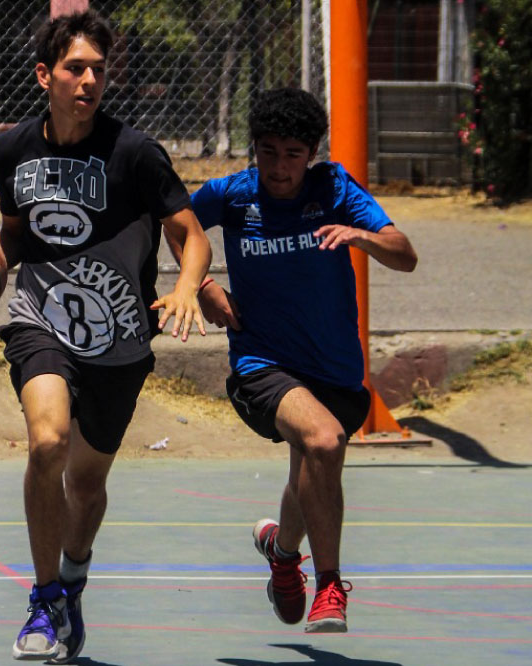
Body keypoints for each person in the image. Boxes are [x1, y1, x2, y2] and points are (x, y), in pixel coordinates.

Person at [0, 9, 211, 662]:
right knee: (47, 442)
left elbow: (189, 236)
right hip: (41, 320)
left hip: (119, 339)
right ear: (44, 76)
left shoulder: (135, 153)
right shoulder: (10, 150)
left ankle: (74, 575)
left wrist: (189, 285)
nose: (88, 80)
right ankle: (45, 596)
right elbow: (13, 236)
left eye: (98, 70)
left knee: (85, 486)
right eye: (74, 68)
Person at [180, 87, 418, 633]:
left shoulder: (334, 188)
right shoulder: (233, 195)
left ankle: (283, 553)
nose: (280, 167)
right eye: (268, 152)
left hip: (333, 366)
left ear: (311, 152)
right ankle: (331, 586)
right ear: (254, 149)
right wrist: (202, 285)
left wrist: (362, 236)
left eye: (293, 154)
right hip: (262, 363)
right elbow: (177, 226)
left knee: (311, 465)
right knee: (325, 441)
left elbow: (404, 253)